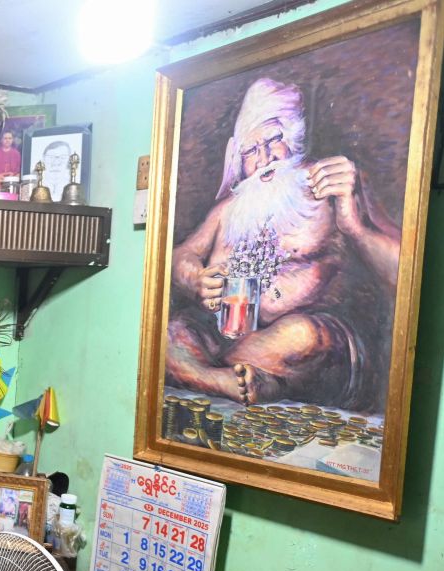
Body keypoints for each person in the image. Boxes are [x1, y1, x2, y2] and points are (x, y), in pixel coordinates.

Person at [168, 77, 399, 408]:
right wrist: (194, 278)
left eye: (273, 139)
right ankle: (227, 381)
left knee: (300, 336)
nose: (263, 158)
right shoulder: (230, 207)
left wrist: (354, 227)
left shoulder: (330, 185)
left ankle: (212, 371)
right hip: (226, 334)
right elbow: (182, 254)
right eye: (250, 150)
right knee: (168, 335)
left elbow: (404, 272)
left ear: (292, 136)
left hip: (308, 342)